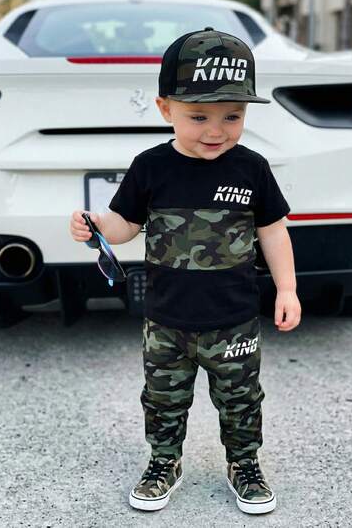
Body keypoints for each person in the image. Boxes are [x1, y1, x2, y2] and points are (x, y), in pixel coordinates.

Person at [69, 27, 301, 515]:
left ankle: (244, 463)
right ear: (165, 109)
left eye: (232, 116)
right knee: (162, 400)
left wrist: (287, 289)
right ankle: (164, 462)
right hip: (166, 321)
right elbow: (125, 225)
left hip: (234, 320)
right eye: (199, 116)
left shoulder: (252, 168)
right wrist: (97, 225)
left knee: (241, 400)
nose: (216, 131)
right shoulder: (150, 167)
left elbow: (274, 232)